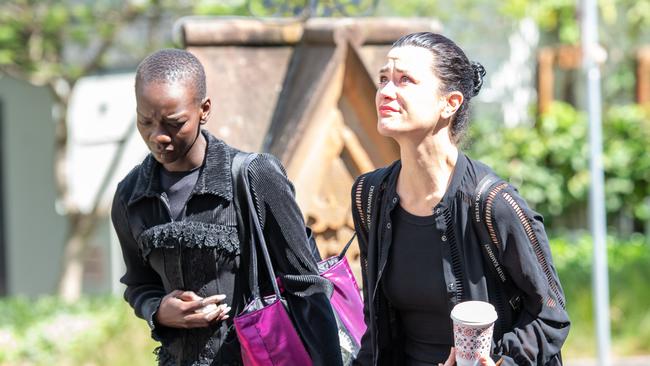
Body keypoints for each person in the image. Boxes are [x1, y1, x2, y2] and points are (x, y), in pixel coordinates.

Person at [350, 32, 570, 366]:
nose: (386, 92)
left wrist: (502, 361)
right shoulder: (370, 196)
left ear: (449, 103)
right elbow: (376, 322)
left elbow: (550, 314)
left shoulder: (494, 203)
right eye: (383, 79)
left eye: (404, 80)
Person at [111, 48, 342, 366]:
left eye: (173, 122)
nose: (157, 136)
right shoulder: (130, 196)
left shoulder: (253, 175)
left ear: (204, 110)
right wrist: (159, 310)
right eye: (145, 121)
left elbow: (306, 285)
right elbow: (138, 284)